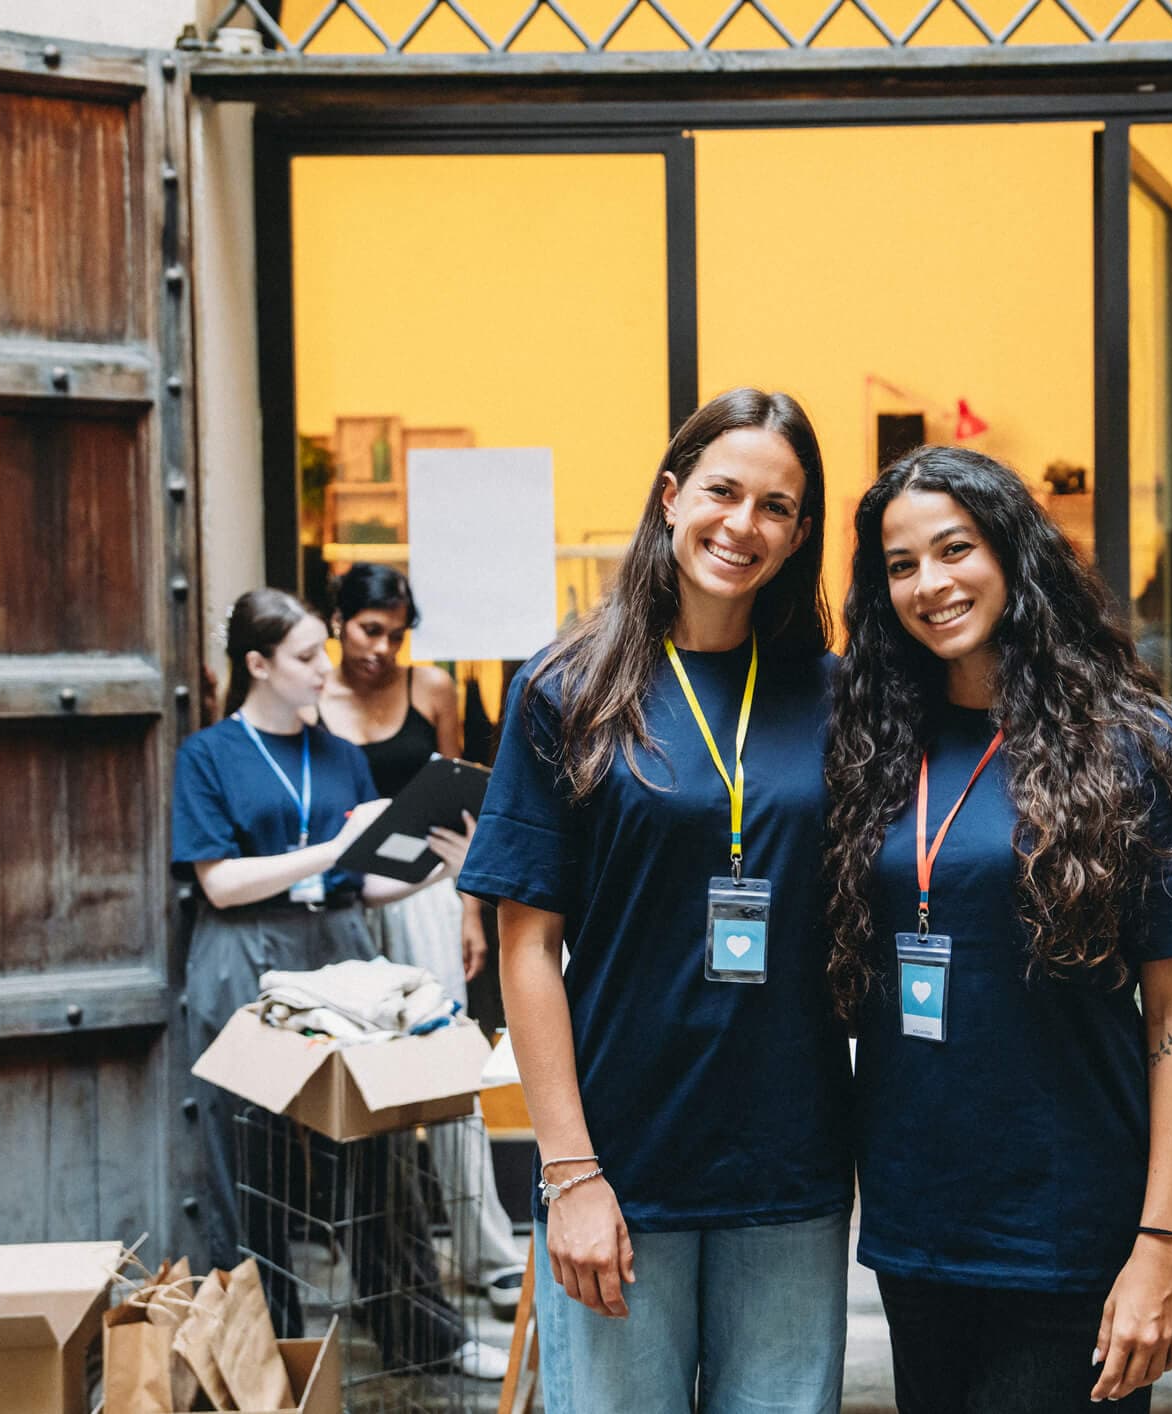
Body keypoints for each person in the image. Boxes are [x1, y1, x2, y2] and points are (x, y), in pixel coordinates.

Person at [823, 446, 1172, 1412]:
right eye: (899, 565)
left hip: (1069, 1227)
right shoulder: (874, 743)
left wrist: (1161, 1247)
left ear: (1012, 551)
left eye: (953, 548)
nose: (929, 584)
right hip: (915, 1221)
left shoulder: (1131, 742)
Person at [457, 389, 852, 1413]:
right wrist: (570, 1173)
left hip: (791, 1159)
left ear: (800, 531)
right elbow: (527, 950)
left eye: (777, 505)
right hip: (622, 1156)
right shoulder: (570, 686)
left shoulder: (836, 692)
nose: (743, 525)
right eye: (723, 491)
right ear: (671, 496)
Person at [173, 587, 508, 1381]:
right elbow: (220, 883)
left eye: (320, 652)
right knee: (248, 1163)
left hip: (339, 954)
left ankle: (424, 1335)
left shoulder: (337, 755)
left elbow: (364, 880)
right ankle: (263, 1352)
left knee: (375, 1147)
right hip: (242, 954)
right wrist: (332, 852)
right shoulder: (208, 755)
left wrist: (445, 865)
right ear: (257, 665)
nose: (324, 670)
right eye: (304, 658)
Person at [313, 563, 527, 1320]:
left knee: (446, 1065)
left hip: (429, 898)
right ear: (337, 619)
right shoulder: (313, 694)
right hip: (344, 902)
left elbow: (462, 800)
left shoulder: (430, 688)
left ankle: (489, 1255)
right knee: (363, 1081)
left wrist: (471, 912)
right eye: (371, 630)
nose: (383, 649)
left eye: (397, 636)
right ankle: (388, 1256)